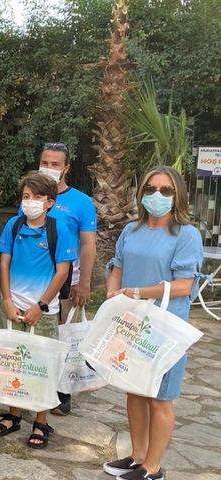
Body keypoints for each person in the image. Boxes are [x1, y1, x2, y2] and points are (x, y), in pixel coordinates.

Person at [102, 166, 202, 480]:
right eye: (151, 189)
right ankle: (137, 456)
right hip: (132, 325)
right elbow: (117, 266)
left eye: (166, 190)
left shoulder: (186, 235)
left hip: (165, 329)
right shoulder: (131, 230)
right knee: (135, 392)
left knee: (159, 398)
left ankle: (153, 467)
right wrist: (111, 292)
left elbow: (185, 285)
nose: (157, 196)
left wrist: (138, 292)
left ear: (178, 196)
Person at [0, 172, 75, 449]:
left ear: (49, 202)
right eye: (26, 196)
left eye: (37, 197)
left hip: (43, 311)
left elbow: (62, 271)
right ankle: (13, 415)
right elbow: (4, 263)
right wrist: (6, 300)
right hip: (13, 308)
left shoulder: (58, 229)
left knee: (42, 366)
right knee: (14, 363)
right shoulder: (13, 226)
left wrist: (40, 305)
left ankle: (40, 421)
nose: (31, 202)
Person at [37, 142, 98, 416]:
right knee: (37, 336)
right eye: (45, 163)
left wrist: (84, 282)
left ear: (66, 168)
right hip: (34, 279)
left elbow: (88, 244)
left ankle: (61, 392)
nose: (49, 168)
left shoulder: (81, 203)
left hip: (66, 280)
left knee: (63, 335)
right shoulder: (32, 196)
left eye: (55, 164)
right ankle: (34, 386)